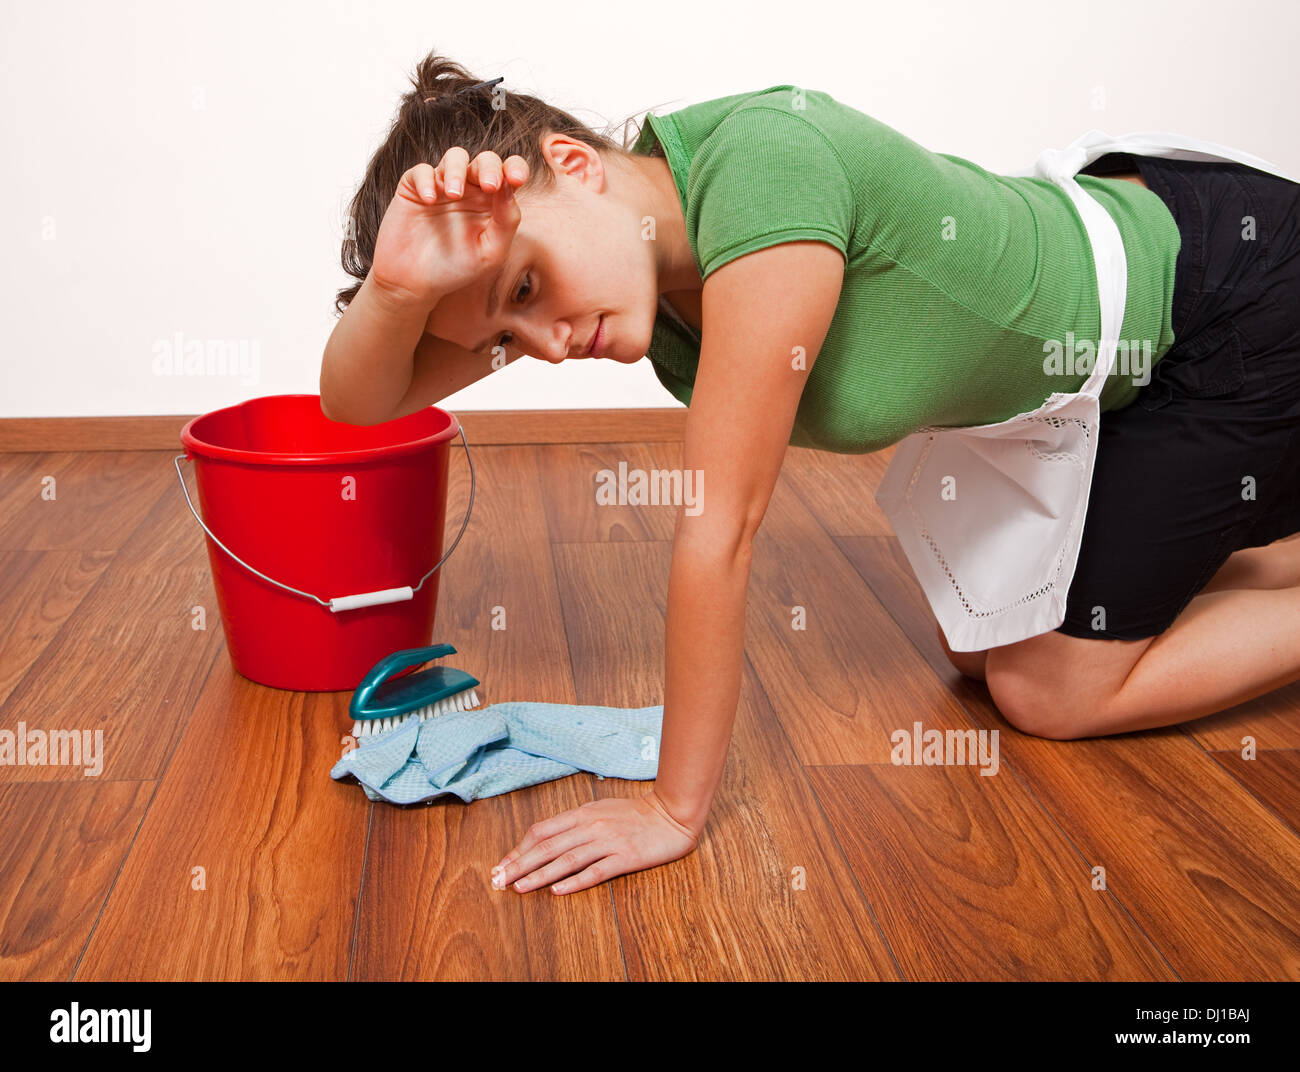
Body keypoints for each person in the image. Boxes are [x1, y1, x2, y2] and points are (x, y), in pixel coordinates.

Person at [320, 50, 1300, 897]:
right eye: (503, 334)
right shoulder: (642, 273)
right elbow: (361, 403)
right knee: (978, 653)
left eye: (524, 288)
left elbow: (719, 530)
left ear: (575, 165)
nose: (541, 341)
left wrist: (671, 808)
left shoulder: (762, 179)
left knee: (1049, 691)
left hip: (1236, 309)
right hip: (1112, 372)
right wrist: (399, 290)